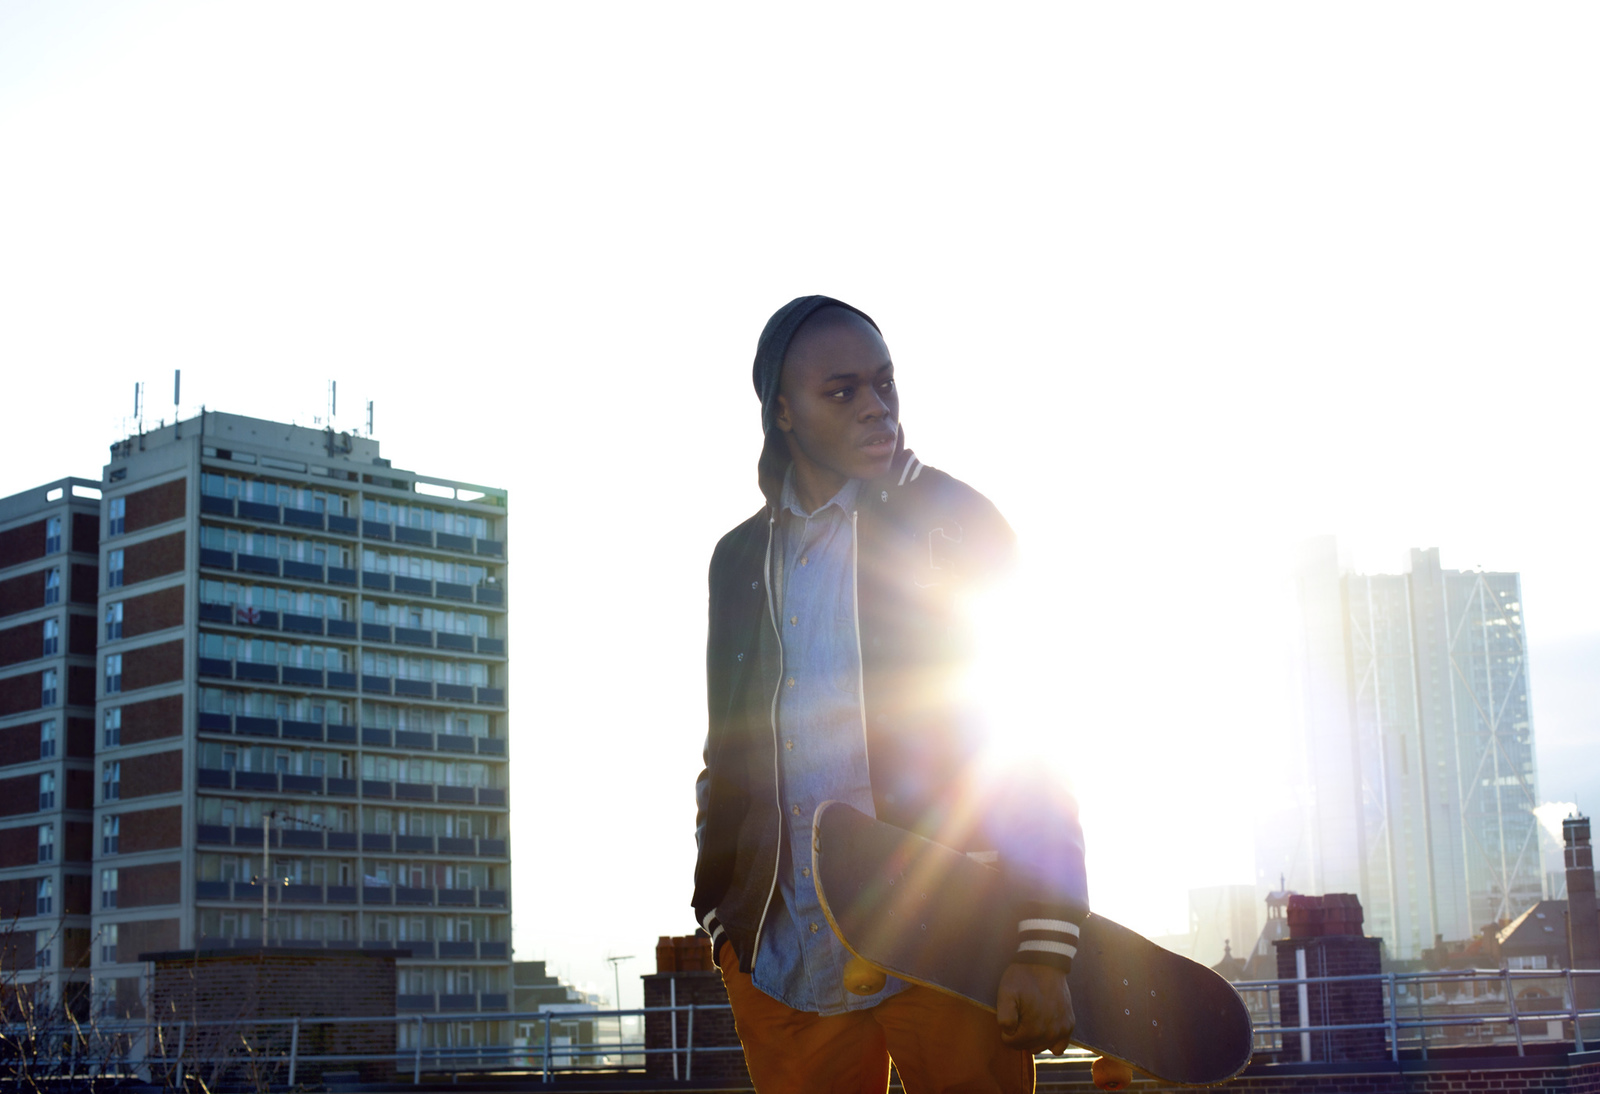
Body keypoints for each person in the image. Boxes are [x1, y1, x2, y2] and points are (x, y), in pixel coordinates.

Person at [693, 296, 1090, 1093]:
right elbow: (726, 754)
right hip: (786, 959)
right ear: (784, 411)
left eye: (885, 384)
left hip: (948, 946)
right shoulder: (736, 559)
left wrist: (1045, 945)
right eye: (842, 392)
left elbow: (1023, 735)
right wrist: (720, 916)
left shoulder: (957, 521)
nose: (876, 408)